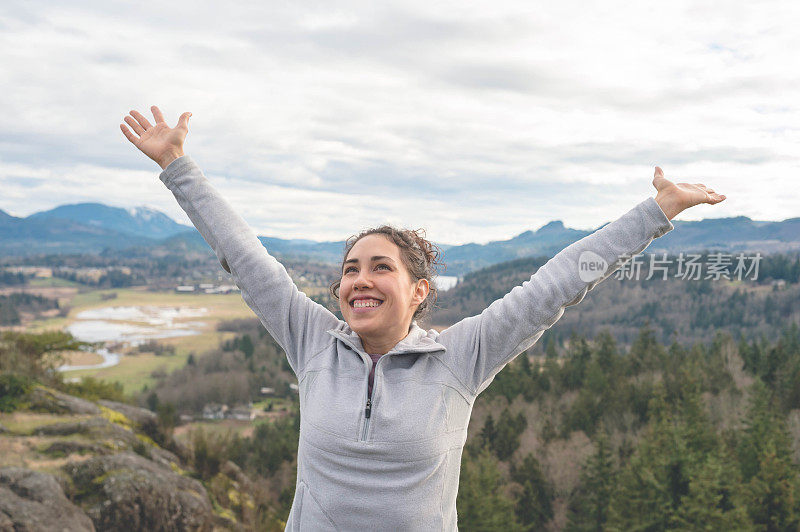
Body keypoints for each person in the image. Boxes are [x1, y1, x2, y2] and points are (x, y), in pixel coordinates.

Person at [120, 106, 726, 531]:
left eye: (380, 267)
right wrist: (177, 165)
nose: (359, 279)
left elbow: (557, 284)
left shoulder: (461, 357)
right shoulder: (312, 344)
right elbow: (246, 258)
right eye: (350, 268)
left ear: (419, 291)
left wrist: (656, 212)